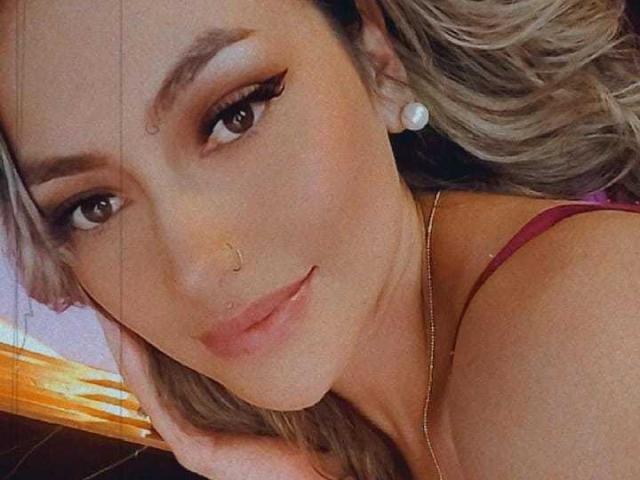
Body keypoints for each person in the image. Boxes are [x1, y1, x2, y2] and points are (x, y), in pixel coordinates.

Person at [1, 1, 639, 478]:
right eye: (94, 207)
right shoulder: (347, 430)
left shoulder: (584, 331)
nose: (195, 266)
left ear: (379, 64)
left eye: (236, 116)